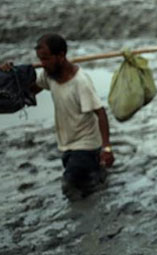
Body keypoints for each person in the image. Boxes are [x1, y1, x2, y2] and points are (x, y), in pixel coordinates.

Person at [0, 33, 114, 199]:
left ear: (61, 56)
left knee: (69, 185)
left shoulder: (80, 82)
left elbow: (101, 113)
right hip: (67, 145)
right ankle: (99, 175)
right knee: (86, 186)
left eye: (46, 59)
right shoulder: (49, 76)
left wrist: (107, 147)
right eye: (40, 59)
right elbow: (29, 90)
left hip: (86, 145)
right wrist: (10, 74)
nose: (42, 64)